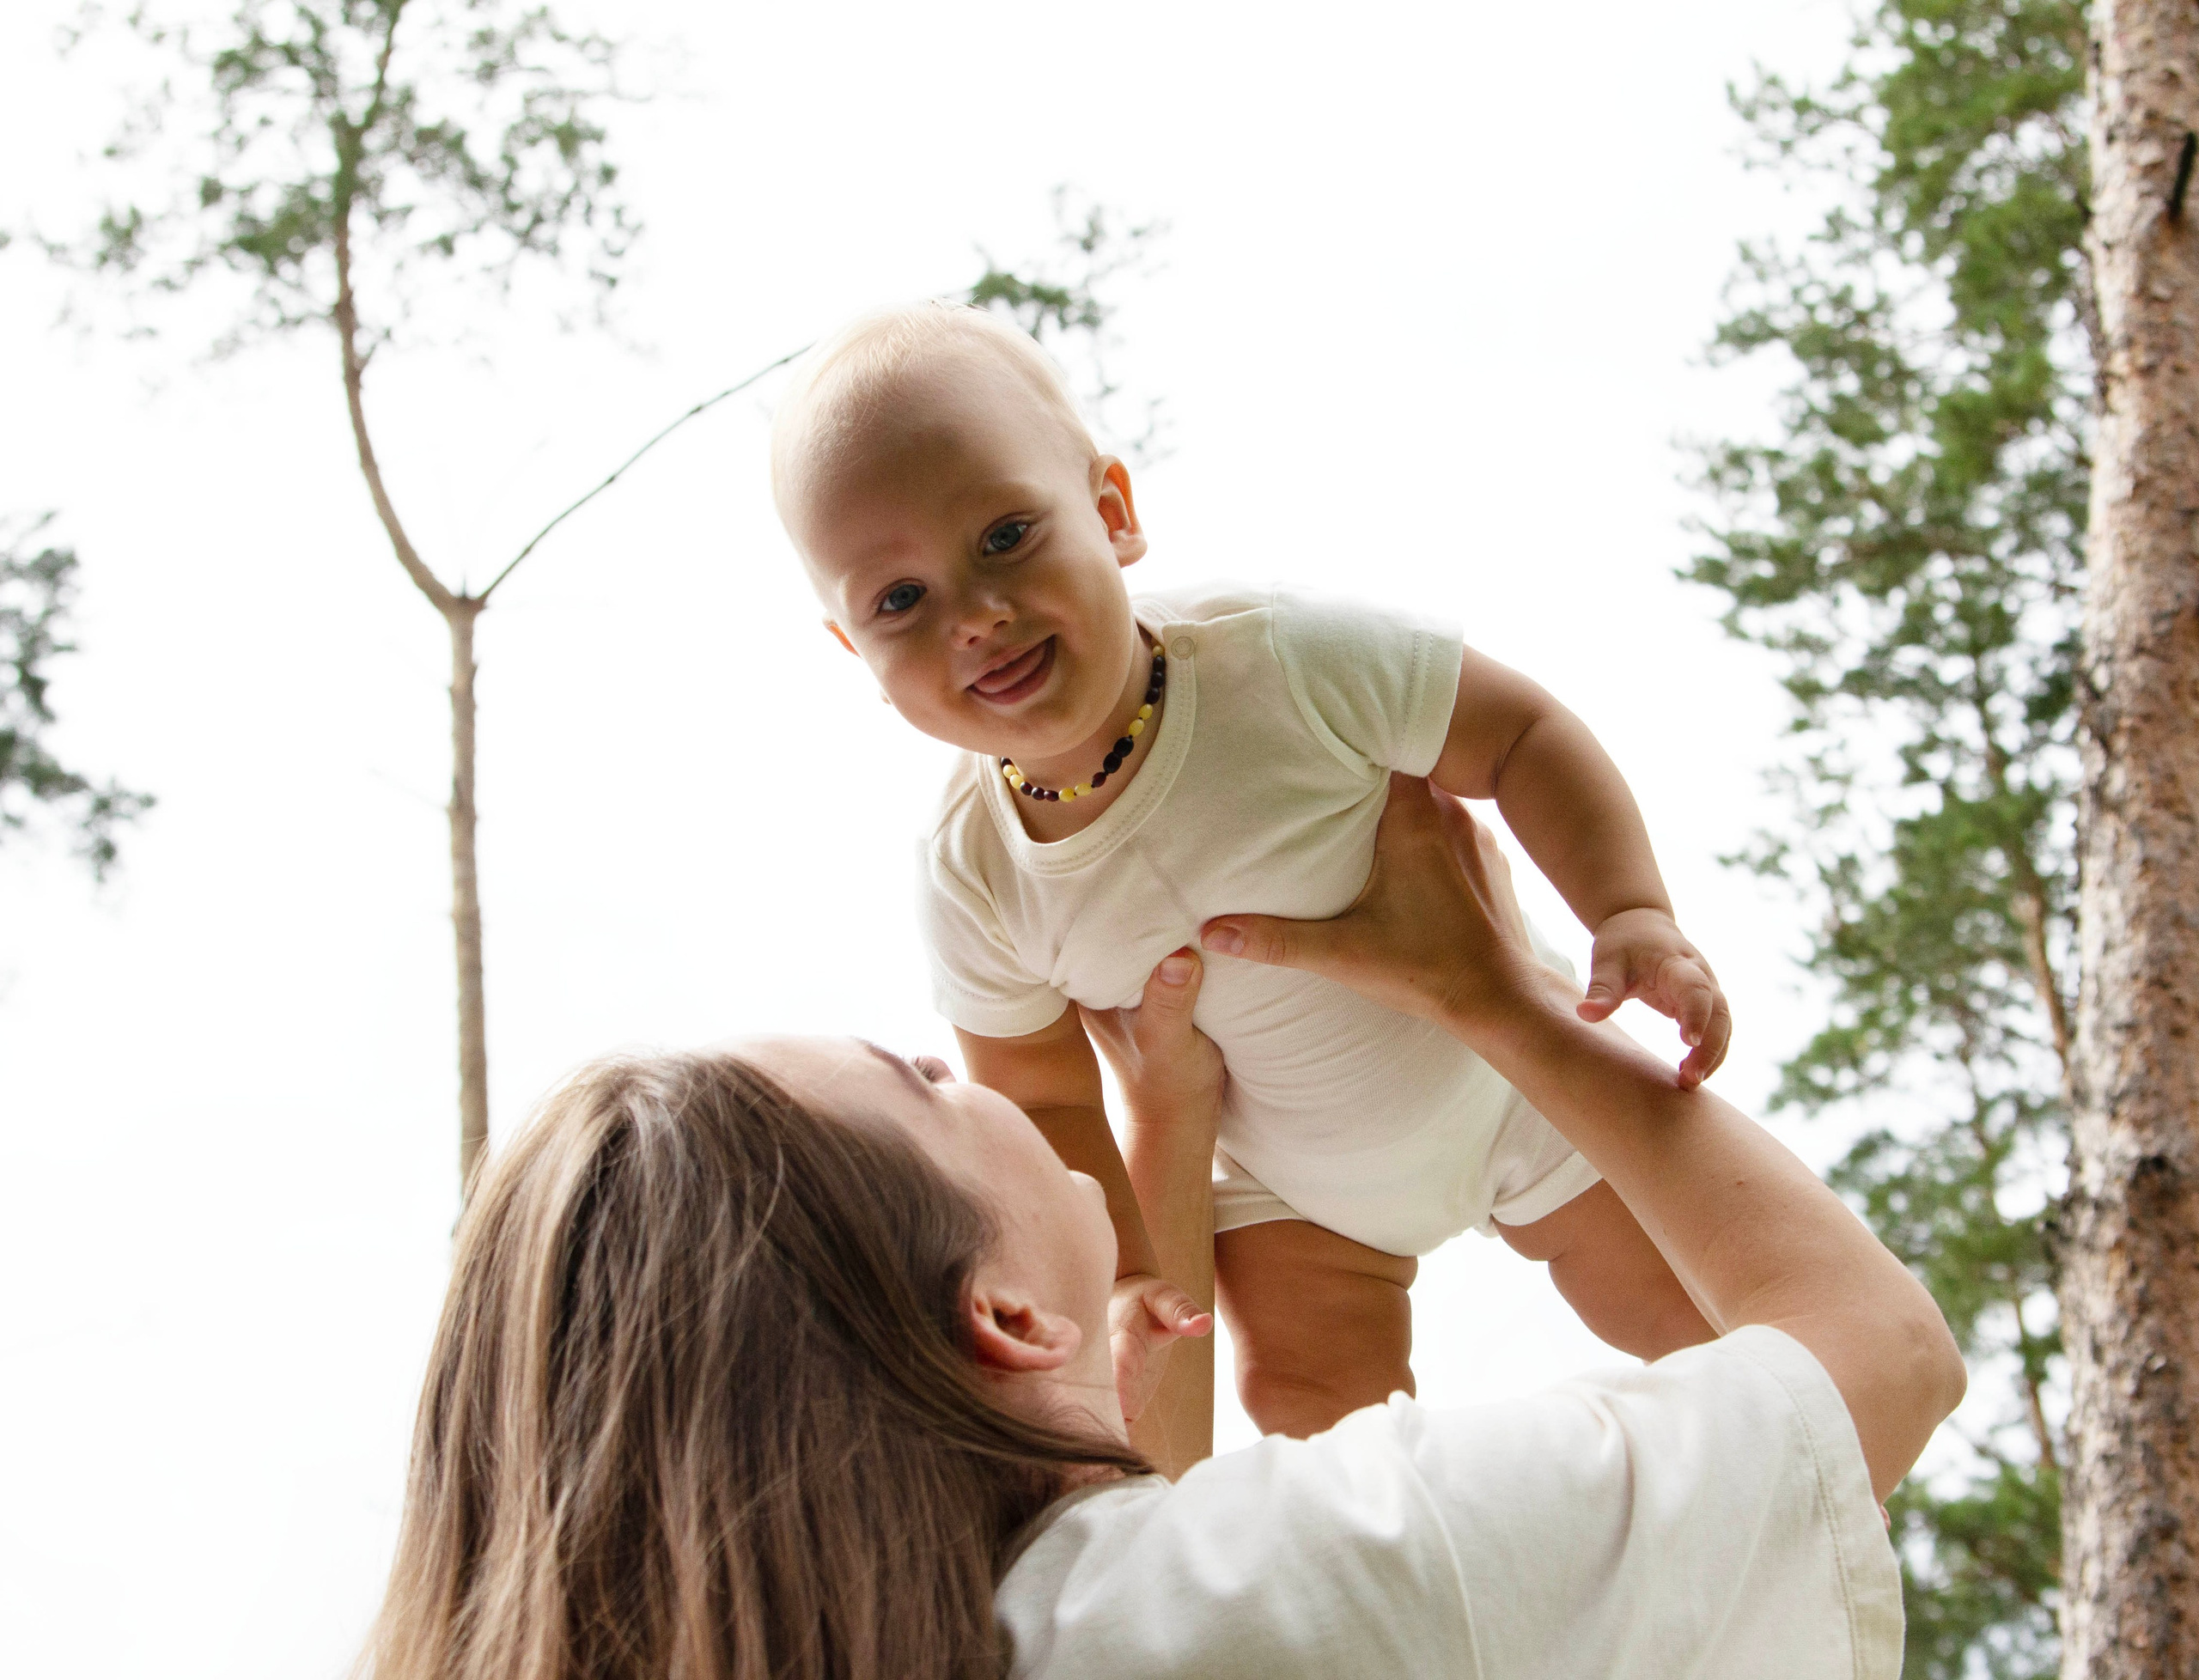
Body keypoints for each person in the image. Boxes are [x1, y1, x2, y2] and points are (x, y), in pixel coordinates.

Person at [364, 776, 1965, 1680]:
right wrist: (1502, 1000)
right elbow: (1877, 1361)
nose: (974, 1064)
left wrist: (1174, 1155)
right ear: (1002, 1318)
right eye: (924, 1077)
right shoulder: (1334, 1577)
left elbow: (1154, 1540)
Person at [770, 301, 1733, 1459]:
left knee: (1705, 1327)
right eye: (900, 601)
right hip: (1292, 1189)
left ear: (1114, 513)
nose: (976, 614)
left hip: (1511, 1087)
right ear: (851, 653)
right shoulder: (973, 874)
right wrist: (1125, 1267)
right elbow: (1048, 1098)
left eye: (1006, 536)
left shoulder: (1281, 661)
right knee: (1312, 1420)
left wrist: (1630, 911)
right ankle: (1402, 1613)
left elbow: (1521, 735)